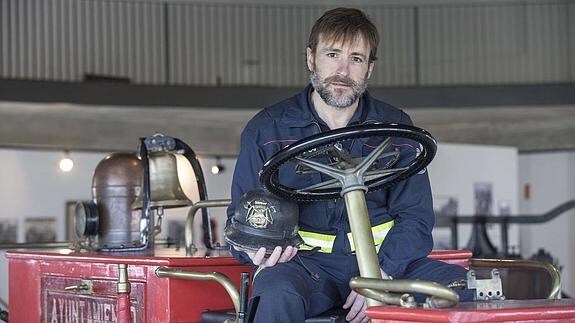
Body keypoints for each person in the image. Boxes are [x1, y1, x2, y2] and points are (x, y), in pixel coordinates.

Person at [226, 7, 473, 323]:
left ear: (369, 68)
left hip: (386, 263)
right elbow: (241, 218)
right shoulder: (267, 130)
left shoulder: (395, 129)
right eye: (332, 55)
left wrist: (381, 273)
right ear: (311, 58)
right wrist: (254, 249)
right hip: (305, 266)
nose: (342, 70)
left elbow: (416, 218)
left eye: (356, 59)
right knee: (276, 291)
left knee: (465, 289)